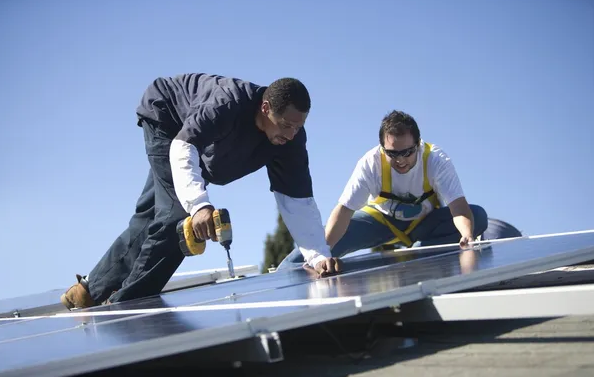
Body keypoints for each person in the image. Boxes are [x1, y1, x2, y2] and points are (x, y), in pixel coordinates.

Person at [60, 73, 338, 309]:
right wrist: (199, 205)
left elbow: (298, 200)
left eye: (298, 127)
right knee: (179, 220)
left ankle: (90, 290)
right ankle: (124, 307)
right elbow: (184, 146)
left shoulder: (290, 141)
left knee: (153, 215)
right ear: (266, 108)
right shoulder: (227, 103)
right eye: (286, 125)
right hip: (168, 120)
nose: (290, 135)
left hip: (198, 150)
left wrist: (317, 256)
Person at [278, 109, 488, 271]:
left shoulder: (437, 160)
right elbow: (343, 212)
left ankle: (416, 260)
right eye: (392, 154)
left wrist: (467, 235)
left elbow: (459, 208)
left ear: (418, 144)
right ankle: (282, 274)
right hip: (380, 221)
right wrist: (321, 254)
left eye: (407, 152)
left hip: (424, 223)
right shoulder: (370, 163)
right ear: (381, 148)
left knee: (477, 215)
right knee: (316, 246)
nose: (401, 160)